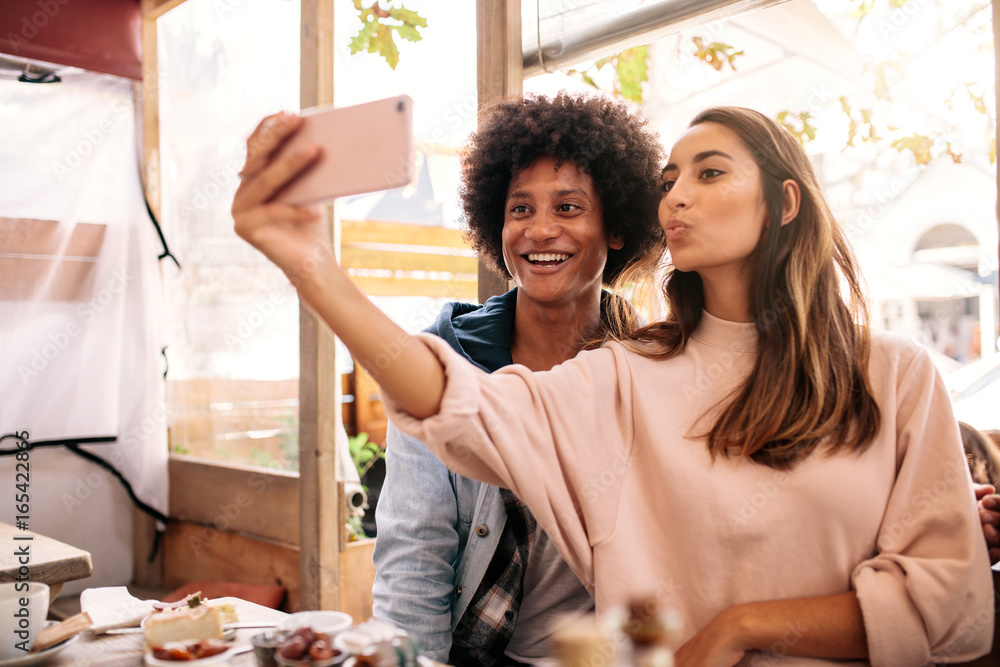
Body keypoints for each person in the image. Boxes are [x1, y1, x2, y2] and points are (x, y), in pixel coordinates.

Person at [233, 105, 994, 662]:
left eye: (711, 171)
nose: (679, 195)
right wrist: (310, 264)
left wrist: (743, 626)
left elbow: (949, 603)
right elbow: (456, 405)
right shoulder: (629, 377)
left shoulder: (895, 374)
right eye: (670, 181)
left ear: (786, 201)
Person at [368, 94, 665, 666]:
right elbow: (415, 553)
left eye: (570, 208)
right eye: (520, 209)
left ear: (617, 228)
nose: (540, 230)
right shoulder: (443, 364)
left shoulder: (654, 366)